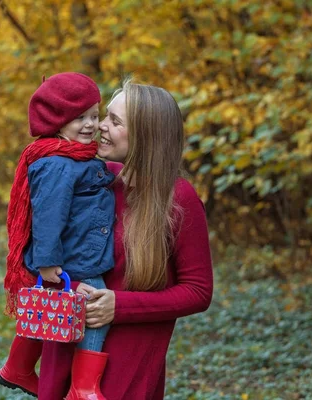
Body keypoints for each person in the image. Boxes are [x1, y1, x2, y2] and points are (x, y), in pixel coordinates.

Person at [37, 80, 214, 400]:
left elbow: (198, 291)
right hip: (67, 340)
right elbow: (51, 252)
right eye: (106, 116)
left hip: (127, 358)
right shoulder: (94, 179)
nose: (100, 125)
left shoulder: (178, 198)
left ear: (147, 136)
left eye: (115, 122)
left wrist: (119, 306)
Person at [0, 72, 115, 399]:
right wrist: (48, 262)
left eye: (95, 115)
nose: (91, 124)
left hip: (77, 251)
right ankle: (83, 387)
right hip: (76, 258)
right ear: (56, 121)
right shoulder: (58, 163)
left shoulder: (75, 156)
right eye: (79, 118)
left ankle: (16, 368)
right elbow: (48, 214)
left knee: (45, 304)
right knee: (94, 307)